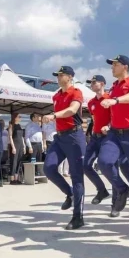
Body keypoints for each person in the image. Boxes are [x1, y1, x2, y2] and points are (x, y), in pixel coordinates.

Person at [96, 55, 129, 240]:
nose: (112, 67)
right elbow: (116, 113)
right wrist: (108, 124)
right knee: (104, 162)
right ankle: (122, 189)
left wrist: (116, 100)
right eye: (111, 64)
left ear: (125, 66)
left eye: (115, 64)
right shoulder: (113, 87)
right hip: (115, 134)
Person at [42, 66, 86, 230]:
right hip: (60, 137)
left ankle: (78, 217)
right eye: (57, 75)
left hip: (74, 137)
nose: (58, 78)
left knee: (77, 176)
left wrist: (53, 115)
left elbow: (72, 110)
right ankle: (70, 193)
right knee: (49, 168)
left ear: (70, 77)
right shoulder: (56, 96)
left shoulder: (76, 92)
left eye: (61, 75)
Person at [82, 75, 112, 209]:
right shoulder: (91, 103)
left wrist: (109, 126)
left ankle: (117, 199)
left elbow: (116, 117)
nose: (92, 84)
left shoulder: (110, 99)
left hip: (109, 137)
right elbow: (94, 119)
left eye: (94, 82)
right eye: (91, 82)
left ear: (103, 84)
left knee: (109, 166)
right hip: (95, 137)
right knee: (86, 165)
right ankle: (102, 190)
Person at [8, 114, 26, 184]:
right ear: (15, 118)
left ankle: (16, 178)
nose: (20, 118)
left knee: (19, 161)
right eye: (19, 117)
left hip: (20, 144)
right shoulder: (11, 126)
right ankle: (12, 179)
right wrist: (13, 147)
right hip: (15, 145)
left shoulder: (19, 126)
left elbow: (22, 137)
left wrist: (24, 146)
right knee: (14, 162)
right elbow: (10, 137)